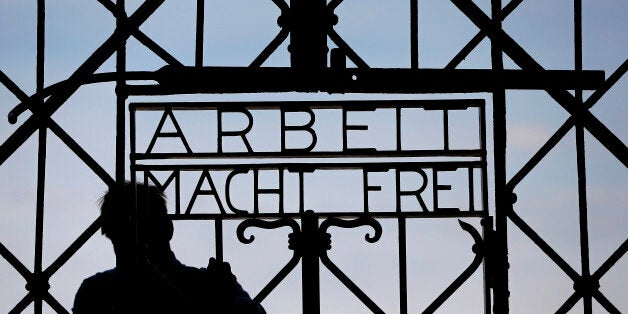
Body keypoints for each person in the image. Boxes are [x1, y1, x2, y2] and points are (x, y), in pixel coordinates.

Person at [73, 182, 266, 314]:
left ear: (107, 232)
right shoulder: (208, 284)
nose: (139, 239)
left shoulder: (96, 291)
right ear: (168, 228)